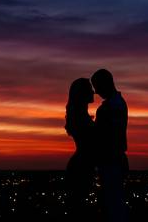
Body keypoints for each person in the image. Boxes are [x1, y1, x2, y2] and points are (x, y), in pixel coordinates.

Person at [91, 69, 128, 222]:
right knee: (114, 202)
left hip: (111, 161)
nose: (96, 92)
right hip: (114, 160)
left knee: (113, 205)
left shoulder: (110, 107)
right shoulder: (118, 103)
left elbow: (105, 137)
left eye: (97, 87)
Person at [65, 77, 96, 218]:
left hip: (82, 164)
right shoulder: (80, 118)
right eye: (90, 88)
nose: (93, 91)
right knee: (78, 210)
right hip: (81, 166)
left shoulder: (82, 116)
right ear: (82, 93)